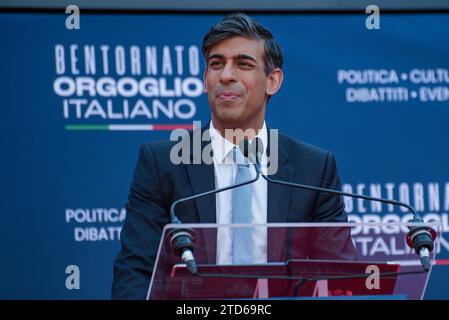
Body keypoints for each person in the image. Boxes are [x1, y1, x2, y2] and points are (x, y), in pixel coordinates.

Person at [111, 13, 356, 300]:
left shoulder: (313, 169)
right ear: (205, 80)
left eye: (243, 64)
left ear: (272, 82)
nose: (226, 75)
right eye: (216, 64)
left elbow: (339, 277)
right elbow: (136, 272)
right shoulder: (163, 163)